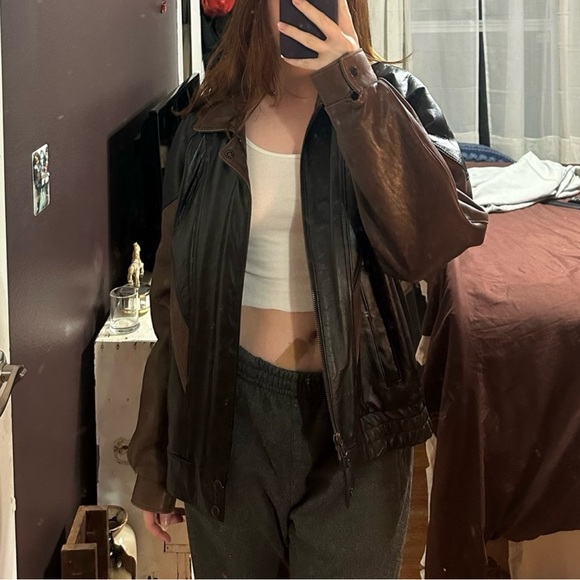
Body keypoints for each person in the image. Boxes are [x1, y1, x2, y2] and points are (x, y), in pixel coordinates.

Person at [127, 0, 489, 577]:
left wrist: (355, 90)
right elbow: (176, 302)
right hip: (229, 419)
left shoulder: (392, 101)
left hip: (361, 415)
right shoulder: (206, 122)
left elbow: (433, 241)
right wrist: (156, 459)